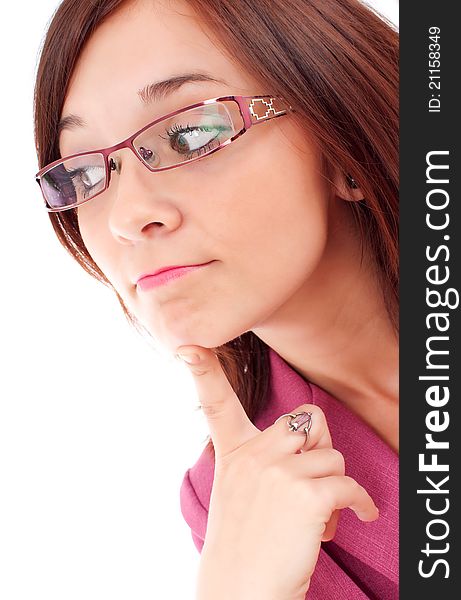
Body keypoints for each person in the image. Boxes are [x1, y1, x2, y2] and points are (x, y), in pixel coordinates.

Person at [33, 0, 398, 598]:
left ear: (344, 143)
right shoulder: (234, 499)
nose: (127, 217)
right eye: (83, 174)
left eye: (192, 132)